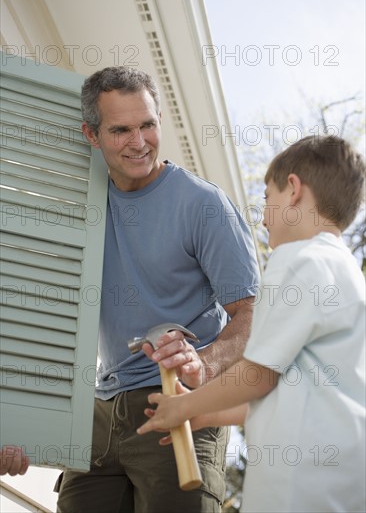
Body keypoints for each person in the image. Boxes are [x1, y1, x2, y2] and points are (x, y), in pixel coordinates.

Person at [55, 66, 260, 513]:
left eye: (148, 124)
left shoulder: (203, 205)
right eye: (121, 130)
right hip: (101, 409)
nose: (140, 141)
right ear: (91, 135)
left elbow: (251, 314)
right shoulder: (82, 204)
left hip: (180, 407)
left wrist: (202, 364)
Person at [138, 135, 366, 512]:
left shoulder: (296, 258)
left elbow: (259, 375)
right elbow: (289, 390)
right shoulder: (350, 279)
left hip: (297, 484)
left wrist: (183, 406)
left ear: (293, 190)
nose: (262, 218)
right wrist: (205, 412)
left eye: (266, 198)